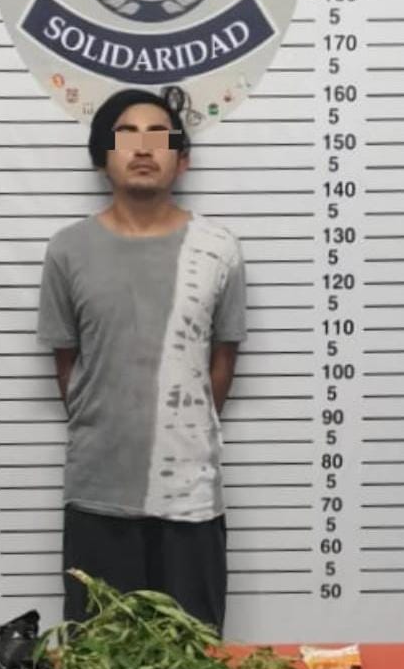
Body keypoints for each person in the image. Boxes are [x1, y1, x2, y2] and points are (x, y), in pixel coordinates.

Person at [36, 88, 248, 633]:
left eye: (160, 135)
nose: (144, 147)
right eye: (126, 134)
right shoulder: (67, 250)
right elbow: (69, 367)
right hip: (97, 497)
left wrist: (179, 430)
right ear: (100, 157)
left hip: (191, 502)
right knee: (98, 661)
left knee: (195, 663)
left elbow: (221, 362)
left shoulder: (218, 249)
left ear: (183, 159)